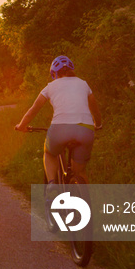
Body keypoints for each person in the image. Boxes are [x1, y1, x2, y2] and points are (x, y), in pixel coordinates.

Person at [14, 55, 102, 185]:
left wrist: (21, 125)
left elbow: (33, 110)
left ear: (54, 73)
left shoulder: (50, 86)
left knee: (49, 153)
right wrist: (98, 124)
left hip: (60, 129)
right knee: (80, 172)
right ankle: (85, 201)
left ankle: (51, 184)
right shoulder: (83, 84)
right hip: (85, 130)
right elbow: (94, 108)